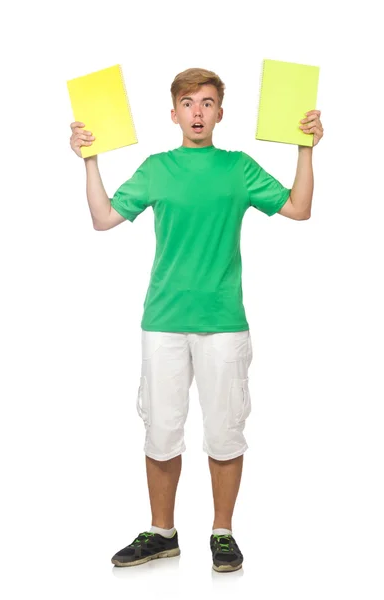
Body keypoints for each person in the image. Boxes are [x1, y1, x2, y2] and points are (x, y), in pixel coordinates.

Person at [69, 67, 324, 573]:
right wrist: (89, 158)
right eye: (188, 103)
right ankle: (162, 533)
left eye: (207, 103)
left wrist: (307, 147)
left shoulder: (238, 168)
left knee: (225, 432)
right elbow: (102, 219)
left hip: (224, 323)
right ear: (174, 113)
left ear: (220, 113)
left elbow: (299, 208)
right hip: (163, 321)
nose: (198, 112)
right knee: (160, 431)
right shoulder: (158, 167)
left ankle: (223, 533)